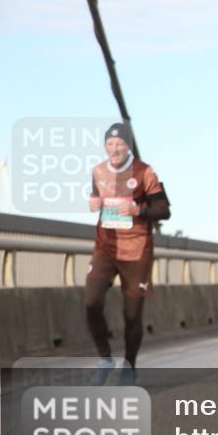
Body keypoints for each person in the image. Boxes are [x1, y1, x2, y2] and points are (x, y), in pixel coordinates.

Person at [86, 123, 171, 386]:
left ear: (128, 146)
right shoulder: (98, 171)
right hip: (105, 248)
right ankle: (105, 358)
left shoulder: (145, 172)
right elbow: (95, 198)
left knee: (132, 314)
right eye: (110, 144)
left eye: (120, 144)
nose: (114, 149)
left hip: (136, 251)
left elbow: (164, 209)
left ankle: (130, 366)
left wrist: (139, 211)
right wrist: (93, 202)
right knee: (92, 302)